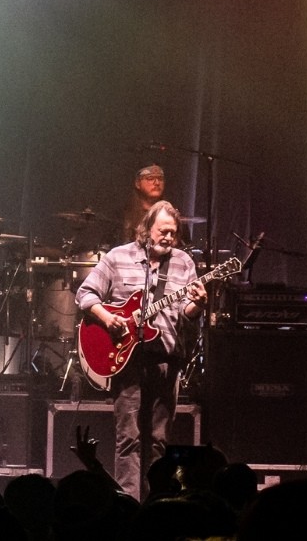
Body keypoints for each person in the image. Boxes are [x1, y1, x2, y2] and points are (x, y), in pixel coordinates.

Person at [76, 201, 206, 502]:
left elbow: (186, 312)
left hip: (167, 360)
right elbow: (85, 294)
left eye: (173, 233)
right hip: (128, 360)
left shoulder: (184, 262)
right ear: (147, 229)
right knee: (128, 438)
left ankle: (156, 504)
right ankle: (128, 506)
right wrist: (107, 318)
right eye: (163, 231)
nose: (168, 238)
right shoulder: (118, 257)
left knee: (159, 440)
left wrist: (198, 304)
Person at [117, 163, 167, 243]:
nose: (157, 183)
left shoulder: (170, 214)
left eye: (160, 179)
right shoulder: (123, 215)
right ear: (138, 183)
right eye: (150, 178)